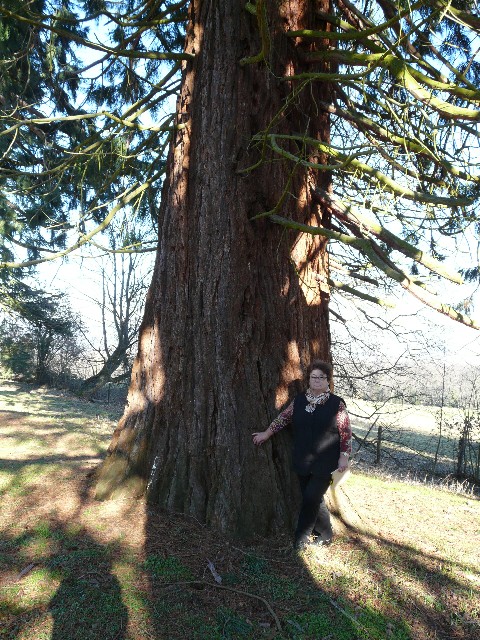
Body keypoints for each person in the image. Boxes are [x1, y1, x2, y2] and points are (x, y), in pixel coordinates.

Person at [252, 360, 352, 550]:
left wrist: (344, 457)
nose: (317, 380)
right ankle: (326, 533)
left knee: (310, 497)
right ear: (309, 379)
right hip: (303, 459)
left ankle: (301, 537)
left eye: (321, 377)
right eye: (313, 377)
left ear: (327, 380)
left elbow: (345, 432)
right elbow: (283, 419)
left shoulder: (336, 404)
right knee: (314, 498)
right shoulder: (299, 401)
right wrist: (266, 433)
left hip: (326, 460)